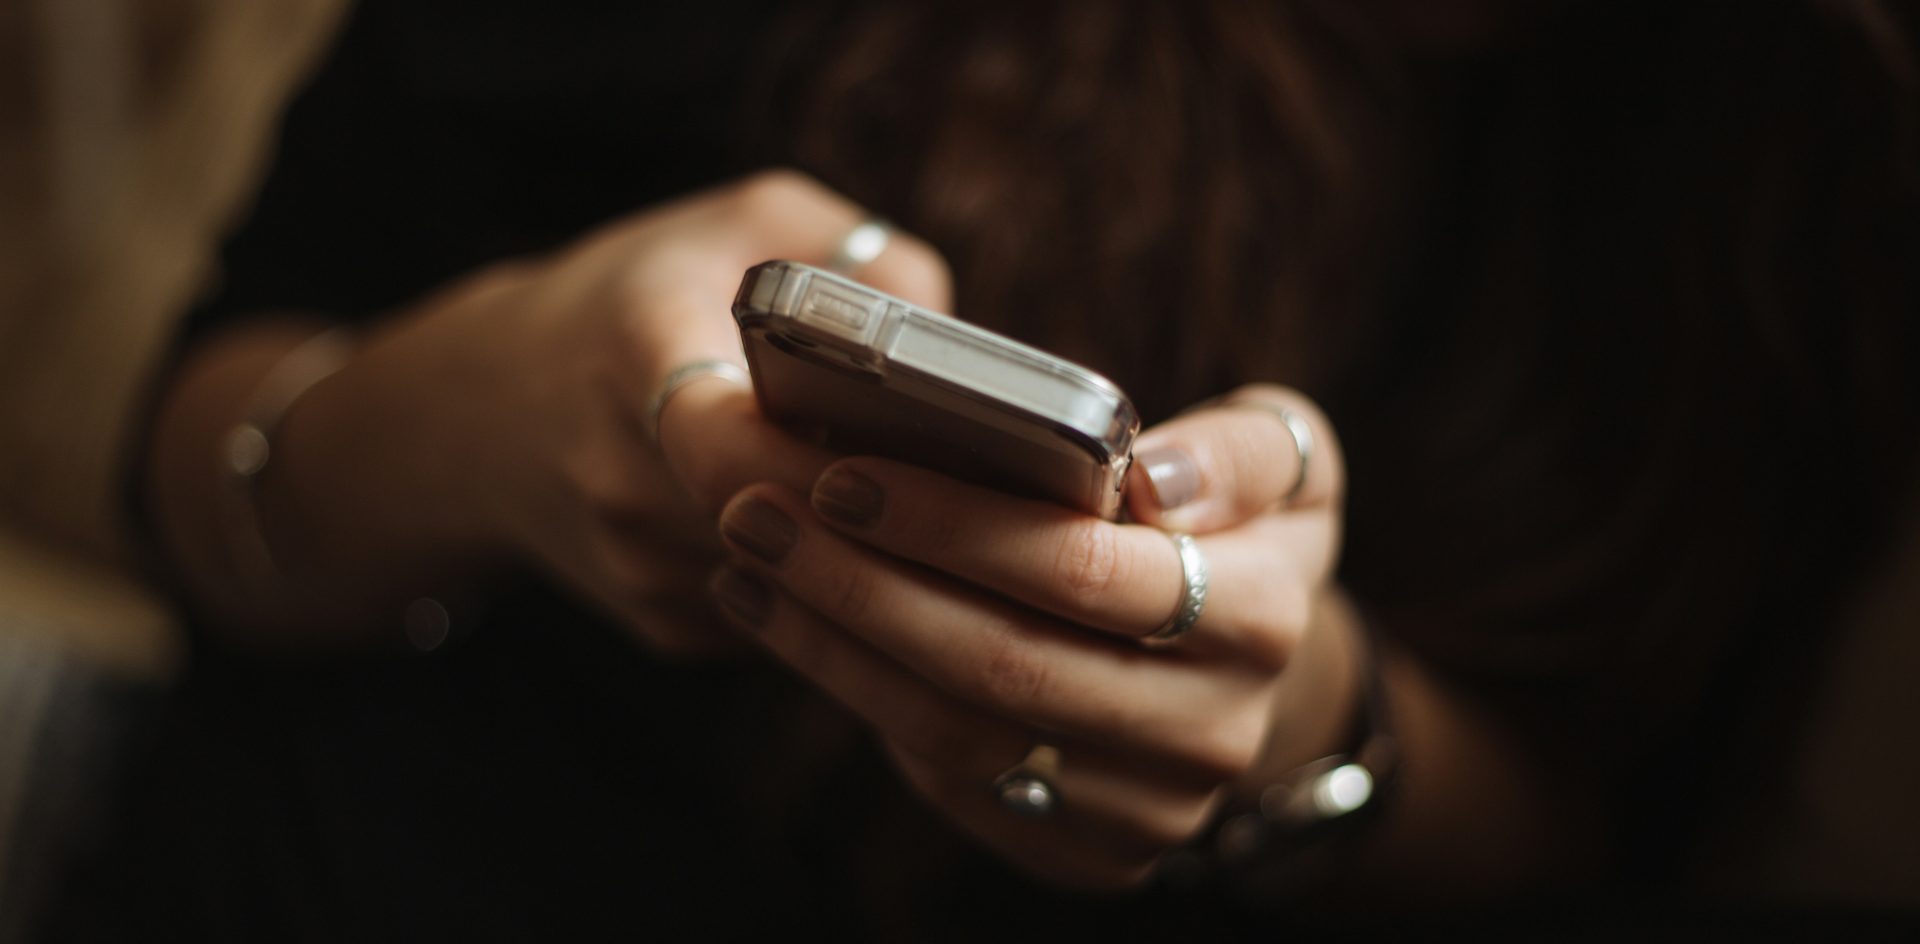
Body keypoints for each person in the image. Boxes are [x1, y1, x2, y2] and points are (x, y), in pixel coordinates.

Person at [17, 0, 1920, 938]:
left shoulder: (1809, 161)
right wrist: (499, 407)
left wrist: (1307, 727)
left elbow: (1627, 852)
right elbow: (189, 482)